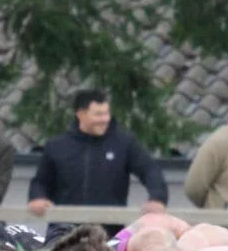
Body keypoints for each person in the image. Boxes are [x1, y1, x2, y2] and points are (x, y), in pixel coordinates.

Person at [27, 88, 169, 227]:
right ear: (80, 114)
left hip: (109, 232)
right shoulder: (57, 146)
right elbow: (41, 181)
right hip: (64, 232)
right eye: (98, 114)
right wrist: (37, 198)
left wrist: (157, 198)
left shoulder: (124, 143)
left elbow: (150, 170)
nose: (104, 119)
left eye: (106, 113)